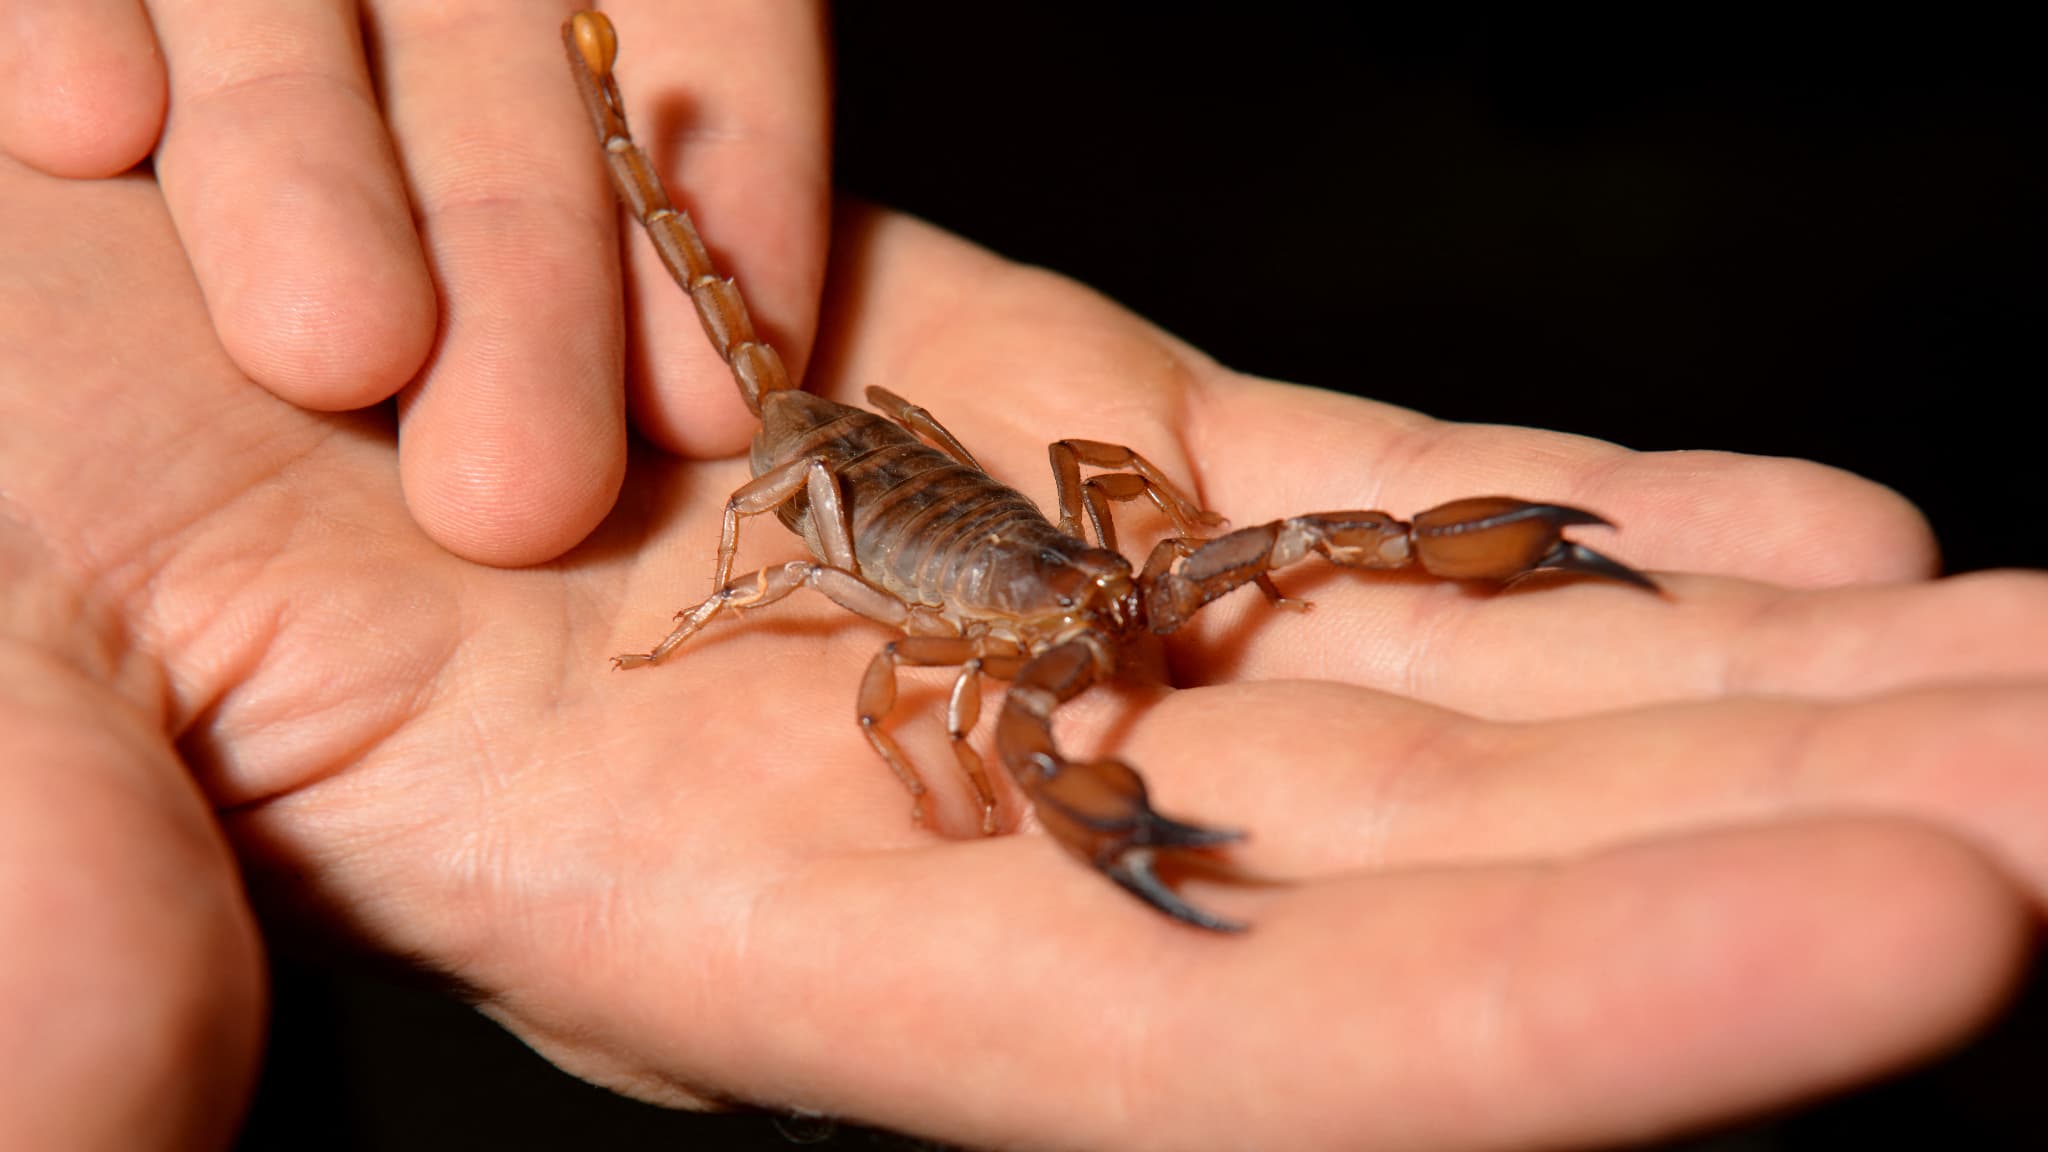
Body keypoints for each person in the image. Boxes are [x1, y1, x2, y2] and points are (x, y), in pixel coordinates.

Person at [3, 6, 2044, 1150]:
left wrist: (1159, 524)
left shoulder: (1100, 571)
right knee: (850, 581)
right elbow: (924, 702)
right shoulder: (979, 660)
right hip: (851, 487)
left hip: (960, 487)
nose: (1106, 635)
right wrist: (936, 763)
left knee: (1260, 549)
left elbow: (1152, 502)